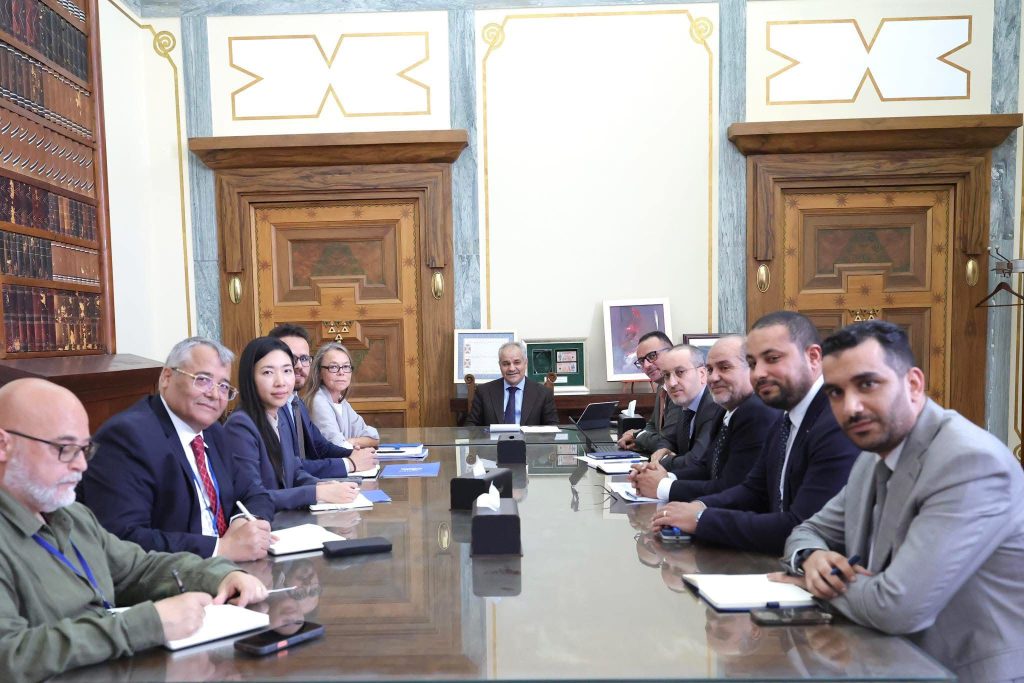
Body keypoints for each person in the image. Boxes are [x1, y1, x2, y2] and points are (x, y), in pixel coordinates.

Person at [782, 320, 1024, 682]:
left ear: (913, 384)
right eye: (835, 392)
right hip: (887, 658)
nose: (851, 408)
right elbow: (807, 530)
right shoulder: (873, 455)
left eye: (867, 384)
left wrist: (814, 584)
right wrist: (811, 558)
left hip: (962, 672)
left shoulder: (970, 462)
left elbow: (898, 607)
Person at [0, 379, 269, 682]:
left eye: (84, 450)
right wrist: (144, 625)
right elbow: (9, 655)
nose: (81, 466)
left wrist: (219, 574)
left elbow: (138, 567)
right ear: (3, 445)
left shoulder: (70, 514)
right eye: (64, 449)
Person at [652, 311, 860, 555]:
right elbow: (753, 490)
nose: (759, 373)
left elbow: (802, 525)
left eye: (772, 358)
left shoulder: (836, 420)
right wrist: (699, 506)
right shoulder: (785, 416)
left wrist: (701, 519)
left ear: (813, 357)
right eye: (752, 364)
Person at [82, 337, 274, 560]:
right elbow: (122, 538)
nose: (214, 394)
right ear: (166, 377)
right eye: (203, 380)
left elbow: (256, 494)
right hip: (170, 580)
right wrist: (220, 549)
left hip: (227, 568)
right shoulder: (128, 437)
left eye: (223, 386)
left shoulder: (214, 432)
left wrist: (240, 525)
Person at [225, 337, 363, 511]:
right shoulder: (240, 425)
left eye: (287, 371)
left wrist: (323, 486)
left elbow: (294, 471)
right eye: (268, 372)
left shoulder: (279, 416)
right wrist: (316, 493)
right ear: (249, 377)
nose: (281, 382)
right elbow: (252, 498)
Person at [653, 335, 780, 502]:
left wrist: (662, 486)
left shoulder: (757, 412)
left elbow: (732, 488)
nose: (712, 378)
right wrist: (666, 476)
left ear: (752, 369)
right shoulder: (724, 409)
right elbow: (706, 467)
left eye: (725, 368)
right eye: (711, 369)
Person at [268, 324, 376, 475]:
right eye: (291, 358)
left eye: (304, 358)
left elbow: (321, 446)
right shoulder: (271, 409)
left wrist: (352, 455)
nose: (299, 365)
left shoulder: (296, 403)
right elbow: (287, 468)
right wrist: (349, 463)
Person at [629, 344, 724, 498]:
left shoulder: (713, 405)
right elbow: (667, 441)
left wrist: (659, 463)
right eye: (666, 375)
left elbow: (696, 462)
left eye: (680, 372)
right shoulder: (685, 404)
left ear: (702, 374)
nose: (672, 383)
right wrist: (663, 453)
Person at [304, 341, 380, 449]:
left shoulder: (341, 402)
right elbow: (337, 446)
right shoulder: (318, 401)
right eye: (333, 367)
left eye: (346, 366)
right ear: (319, 373)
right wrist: (352, 443)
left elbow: (374, 438)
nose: (341, 372)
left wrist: (352, 441)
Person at [616, 331, 682, 454]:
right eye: (641, 361)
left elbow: (667, 441)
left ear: (671, 352)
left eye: (652, 356)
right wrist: (637, 435)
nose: (646, 365)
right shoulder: (661, 387)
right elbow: (652, 425)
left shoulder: (680, 389)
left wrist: (638, 435)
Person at [464, 341, 558, 426]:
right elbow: (471, 425)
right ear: (500, 365)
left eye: (517, 362)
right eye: (506, 364)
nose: (511, 368)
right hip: (494, 444)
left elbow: (553, 427)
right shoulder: (484, 392)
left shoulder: (543, 393)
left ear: (525, 363)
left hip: (529, 444)